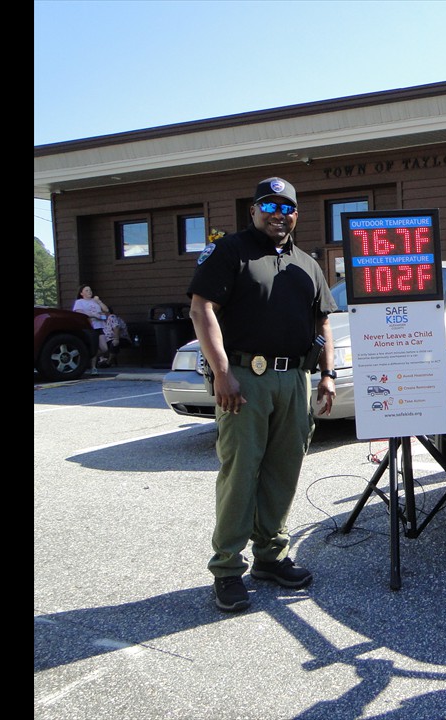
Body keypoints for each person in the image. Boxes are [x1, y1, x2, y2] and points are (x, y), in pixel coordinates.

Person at [187, 177, 339, 612]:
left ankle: (270, 558)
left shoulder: (307, 263)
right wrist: (221, 373)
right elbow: (202, 309)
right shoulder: (230, 251)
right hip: (244, 379)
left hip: (294, 379)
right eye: (269, 206)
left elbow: (323, 322)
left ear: (296, 214)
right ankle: (227, 569)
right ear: (253, 211)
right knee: (240, 474)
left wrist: (327, 375)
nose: (279, 214)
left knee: (282, 471)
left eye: (286, 207)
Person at [72, 285, 113, 370]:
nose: (89, 292)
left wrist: (99, 301)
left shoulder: (95, 301)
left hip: (99, 326)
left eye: (90, 290)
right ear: (81, 293)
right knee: (93, 346)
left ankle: (86, 358)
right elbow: (79, 312)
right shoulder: (79, 302)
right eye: (86, 290)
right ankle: (93, 367)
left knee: (104, 348)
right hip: (89, 327)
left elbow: (106, 311)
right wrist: (94, 315)